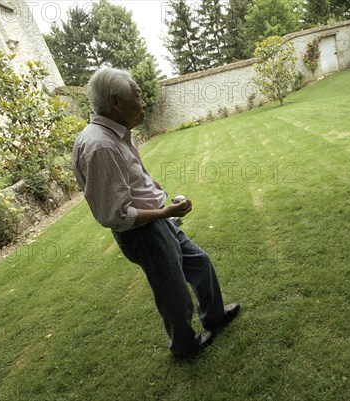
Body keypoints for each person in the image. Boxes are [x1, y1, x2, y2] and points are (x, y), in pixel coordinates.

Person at [72, 67, 239, 359]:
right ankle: (184, 346)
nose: (144, 103)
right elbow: (117, 216)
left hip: (158, 220)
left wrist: (162, 202)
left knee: (199, 263)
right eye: (138, 96)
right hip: (143, 234)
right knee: (172, 292)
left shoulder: (116, 134)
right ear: (115, 102)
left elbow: (132, 181)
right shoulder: (100, 146)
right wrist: (164, 213)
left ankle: (213, 316)